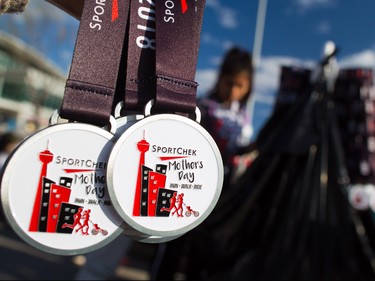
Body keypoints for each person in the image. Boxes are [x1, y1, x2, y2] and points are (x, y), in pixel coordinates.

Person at [150, 46, 257, 280]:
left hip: (221, 192)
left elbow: (238, 149)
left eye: (240, 85)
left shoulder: (244, 117)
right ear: (221, 79)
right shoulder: (203, 107)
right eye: (230, 83)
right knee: (174, 244)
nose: (233, 90)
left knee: (203, 250)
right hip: (190, 183)